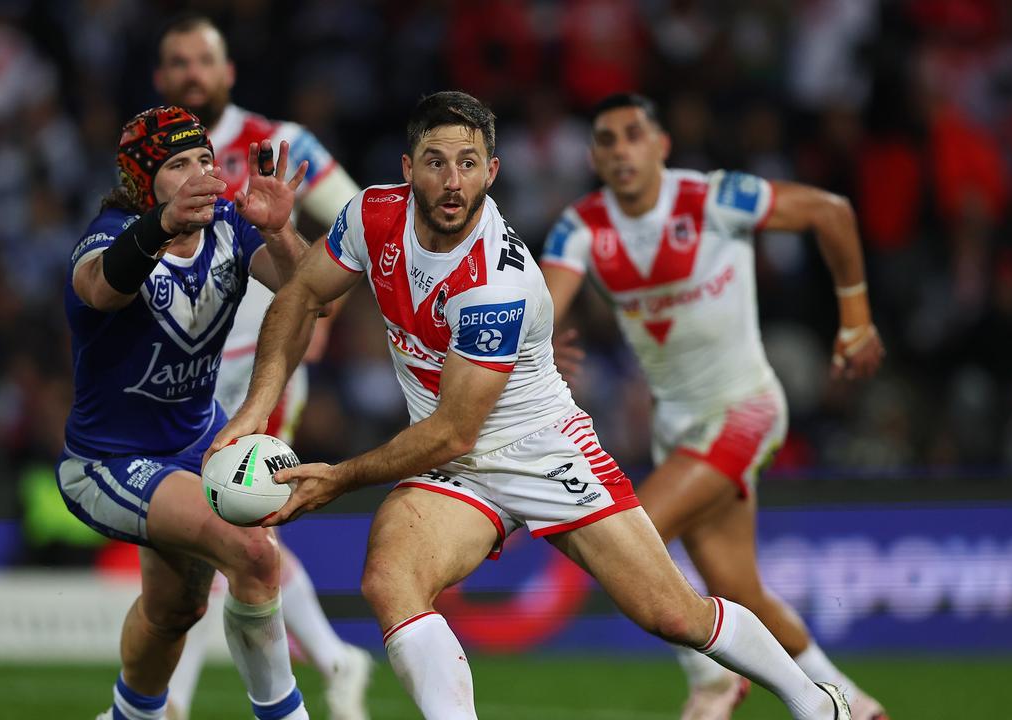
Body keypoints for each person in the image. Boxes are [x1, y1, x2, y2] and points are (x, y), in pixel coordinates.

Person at [208, 91, 852, 720]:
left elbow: (454, 432)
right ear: (408, 170)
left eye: (468, 163)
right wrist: (253, 415)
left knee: (673, 613)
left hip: (540, 449)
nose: (452, 180)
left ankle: (815, 702)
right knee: (389, 579)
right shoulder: (371, 215)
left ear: (492, 170)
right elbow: (298, 297)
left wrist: (339, 477)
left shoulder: (495, 279)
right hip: (457, 466)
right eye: (435, 161)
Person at [540, 93, 888, 720]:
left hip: (745, 408)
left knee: (631, 534)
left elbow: (830, 213)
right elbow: (540, 305)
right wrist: (534, 345)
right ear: (593, 155)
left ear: (661, 145)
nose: (621, 150)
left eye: (633, 135)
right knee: (736, 590)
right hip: (678, 429)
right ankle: (853, 704)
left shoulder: (713, 198)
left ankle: (711, 679)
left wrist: (856, 317)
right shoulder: (583, 226)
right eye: (607, 140)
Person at [58, 105, 311, 720]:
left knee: (175, 610)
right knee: (253, 553)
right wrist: (161, 223)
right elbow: (99, 287)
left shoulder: (230, 224)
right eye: (178, 165)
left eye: (204, 158)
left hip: (194, 445)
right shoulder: (112, 234)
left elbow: (313, 296)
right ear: (143, 183)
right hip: (109, 461)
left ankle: (130, 716)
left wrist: (279, 230)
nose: (201, 173)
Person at [151, 15, 370, 720]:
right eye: (177, 63)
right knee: (235, 535)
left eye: (202, 61)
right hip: (181, 378)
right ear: (162, 78)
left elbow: (361, 221)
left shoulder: (280, 142)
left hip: (261, 372)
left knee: (222, 526)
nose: (191, 73)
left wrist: (313, 298)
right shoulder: (148, 153)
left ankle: (167, 704)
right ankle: (336, 658)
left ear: (227, 72)